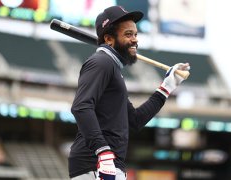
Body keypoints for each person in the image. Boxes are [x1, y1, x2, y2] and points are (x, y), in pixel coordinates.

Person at [68, 5, 190, 180]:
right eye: (128, 34)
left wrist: (166, 88)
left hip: (108, 163)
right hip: (94, 163)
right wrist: (103, 151)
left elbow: (134, 121)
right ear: (109, 39)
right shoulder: (101, 62)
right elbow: (81, 107)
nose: (134, 40)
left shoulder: (113, 69)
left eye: (135, 34)